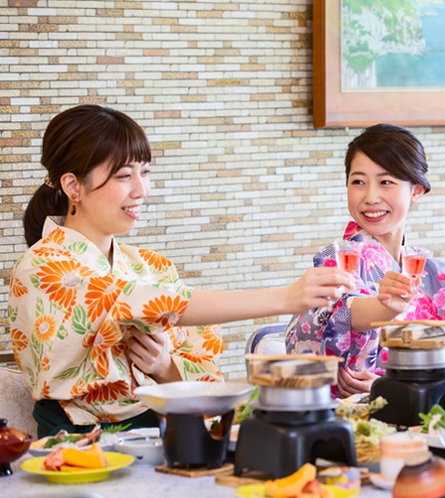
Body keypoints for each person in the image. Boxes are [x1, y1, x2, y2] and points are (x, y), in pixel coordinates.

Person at [9, 105, 355, 437]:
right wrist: (286, 297)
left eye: (144, 172)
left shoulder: (152, 267)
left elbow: (198, 376)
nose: (141, 190)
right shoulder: (42, 268)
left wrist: (163, 368)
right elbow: (139, 301)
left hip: (164, 433)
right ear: (73, 186)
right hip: (76, 445)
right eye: (124, 175)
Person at [285, 123, 445, 399]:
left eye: (386, 182)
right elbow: (346, 310)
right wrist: (386, 309)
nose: (370, 197)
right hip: (353, 422)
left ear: (416, 191)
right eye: (358, 182)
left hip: (432, 417)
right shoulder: (336, 260)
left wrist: (393, 390)